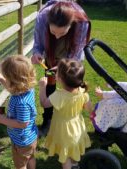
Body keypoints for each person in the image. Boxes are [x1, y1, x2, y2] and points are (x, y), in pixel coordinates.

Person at [31, 0, 91, 135]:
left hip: (71, 59)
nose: (57, 36)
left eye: (62, 33)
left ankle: (73, 117)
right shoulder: (43, 17)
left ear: (71, 25)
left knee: (72, 86)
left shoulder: (82, 22)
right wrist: (37, 53)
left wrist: (64, 67)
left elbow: (76, 52)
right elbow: (38, 43)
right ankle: (48, 120)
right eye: (53, 32)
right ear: (48, 24)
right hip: (51, 57)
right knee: (50, 84)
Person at [39, 58, 92, 169]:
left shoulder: (59, 96)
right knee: (73, 149)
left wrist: (42, 87)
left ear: (60, 79)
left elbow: (44, 103)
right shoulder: (82, 91)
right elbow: (89, 108)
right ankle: (75, 165)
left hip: (63, 131)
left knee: (65, 157)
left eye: (57, 73)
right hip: (77, 127)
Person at [0, 55, 38, 169]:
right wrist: (2, 80)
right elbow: (13, 88)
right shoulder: (26, 89)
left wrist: (2, 119)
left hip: (22, 141)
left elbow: (23, 123)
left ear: (14, 82)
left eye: (7, 78)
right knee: (30, 157)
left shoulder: (21, 103)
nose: (6, 80)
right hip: (30, 137)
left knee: (20, 164)